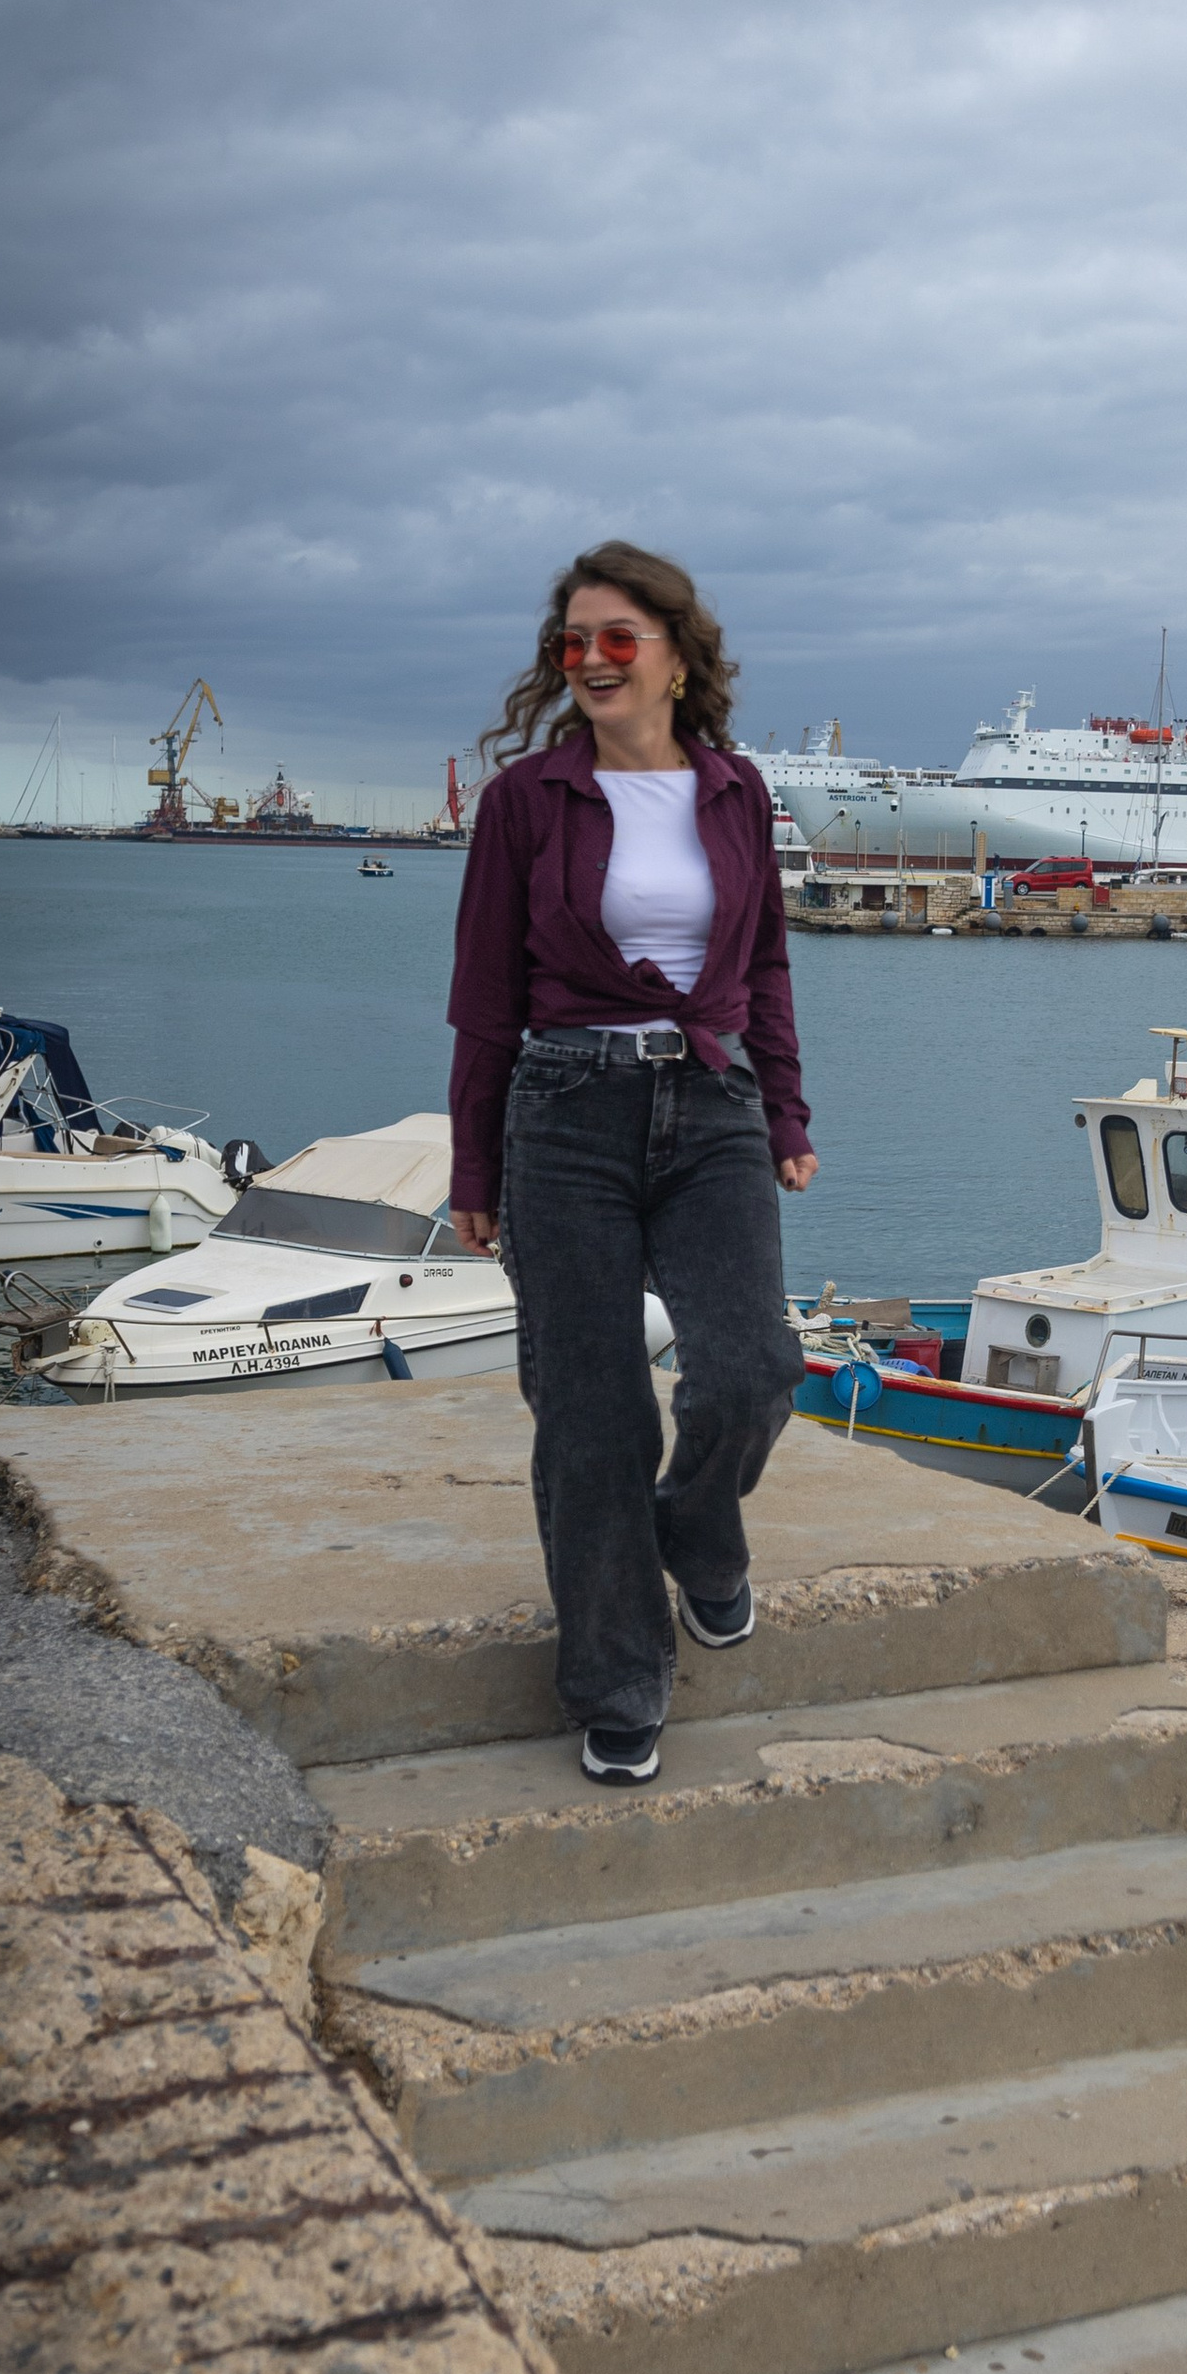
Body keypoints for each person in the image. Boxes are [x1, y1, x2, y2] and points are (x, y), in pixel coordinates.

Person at [448, 543, 816, 1786]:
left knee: (754, 1368)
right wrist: (473, 1166)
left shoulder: (735, 791)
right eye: (574, 643)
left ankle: (699, 1535)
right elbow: (485, 1000)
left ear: (673, 653)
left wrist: (787, 1119)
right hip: (562, 1110)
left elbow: (762, 966)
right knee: (592, 1413)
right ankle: (617, 1677)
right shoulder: (525, 803)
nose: (593, 660)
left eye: (618, 639)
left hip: (712, 1102)